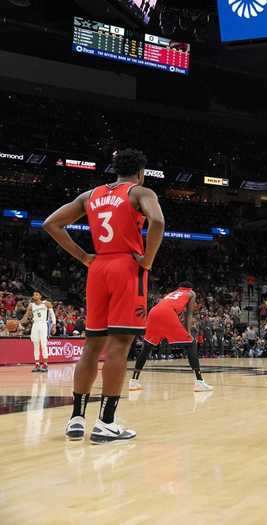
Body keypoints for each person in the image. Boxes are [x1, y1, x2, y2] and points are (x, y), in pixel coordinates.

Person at [43, 149, 165, 444]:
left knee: (92, 346)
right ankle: (106, 422)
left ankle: (76, 418)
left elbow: (51, 224)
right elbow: (157, 222)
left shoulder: (90, 195)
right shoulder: (141, 191)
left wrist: (84, 256)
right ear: (141, 172)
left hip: (98, 269)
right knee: (119, 347)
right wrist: (147, 260)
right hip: (126, 267)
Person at [130, 282, 213, 392]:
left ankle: (134, 381)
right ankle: (199, 382)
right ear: (190, 288)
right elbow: (189, 314)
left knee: (147, 347)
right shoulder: (191, 293)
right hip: (167, 313)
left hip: (153, 312)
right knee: (192, 343)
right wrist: (187, 333)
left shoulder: (172, 293)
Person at [20, 291, 56, 372]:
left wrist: (54, 325)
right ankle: (37, 365)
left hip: (43, 324)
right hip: (35, 325)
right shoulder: (31, 305)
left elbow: (52, 315)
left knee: (43, 345)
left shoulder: (46, 303)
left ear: (40, 296)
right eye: (33, 294)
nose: (34, 296)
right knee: (35, 345)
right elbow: (26, 316)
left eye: (36, 294)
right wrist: (19, 322)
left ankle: (45, 364)